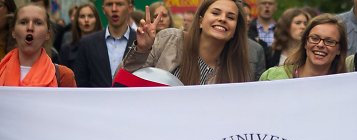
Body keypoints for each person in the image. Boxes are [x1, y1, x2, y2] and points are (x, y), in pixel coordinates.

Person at [122, 0, 251, 85]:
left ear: (235, 29)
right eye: (215, 13)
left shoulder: (237, 70)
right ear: (200, 21)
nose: (222, 19)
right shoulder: (170, 40)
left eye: (230, 17)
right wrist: (141, 50)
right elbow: (123, 79)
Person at [0, 3, 75, 87]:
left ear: (47, 34)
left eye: (38, 23)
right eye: (23, 22)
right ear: (13, 32)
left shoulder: (63, 76)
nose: (30, 27)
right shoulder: (1, 70)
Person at [260, 13, 347, 80]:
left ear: (339, 49)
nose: (320, 45)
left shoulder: (345, 86)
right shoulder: (272, 77)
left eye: (329, 41)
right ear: (305, 43)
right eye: (315, 38)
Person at [74, 0, 136, 87]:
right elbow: (80, 82)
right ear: (103, 9)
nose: (114, 9)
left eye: (119, 4)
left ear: (130, 8)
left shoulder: (140, 42)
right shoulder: (87, 43)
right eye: (109, 4)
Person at [59, 3, 102, 69]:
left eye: (90, 16)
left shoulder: (105, 47)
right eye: (82, 16)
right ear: (77, 20)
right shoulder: (66, 50)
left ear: (96, 20)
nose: (86, 20)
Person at [242, 0, 265, 80]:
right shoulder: (219, 43)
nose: (248, 19)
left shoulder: (257, 49)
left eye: (249, 15)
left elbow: (260, 82)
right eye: (244, 15)